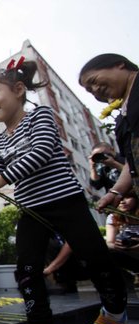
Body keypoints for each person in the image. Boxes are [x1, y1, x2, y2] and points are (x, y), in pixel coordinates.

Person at [0, 58, 128, 324]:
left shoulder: (40, 117)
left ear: (19, 89)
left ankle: (114, 310)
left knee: (94, 255)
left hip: (65, 200)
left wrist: (3, 178)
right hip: (31, 209)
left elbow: (43, 151)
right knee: (27, 269)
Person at [79, 54, 139, 209]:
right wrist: (116, 192)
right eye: (90, 90)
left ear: (119, 64)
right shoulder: (122, 119)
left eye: (93, 81)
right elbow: (131, 163)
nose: (95, 90)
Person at [105, 192, 139, 289]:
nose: (122, 202)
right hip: (129, 254)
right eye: (119, 199)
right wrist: (116, 245)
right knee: (106, 253)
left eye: (127, 197)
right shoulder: (113, 217)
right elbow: (109, 243)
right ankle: (127, 278)